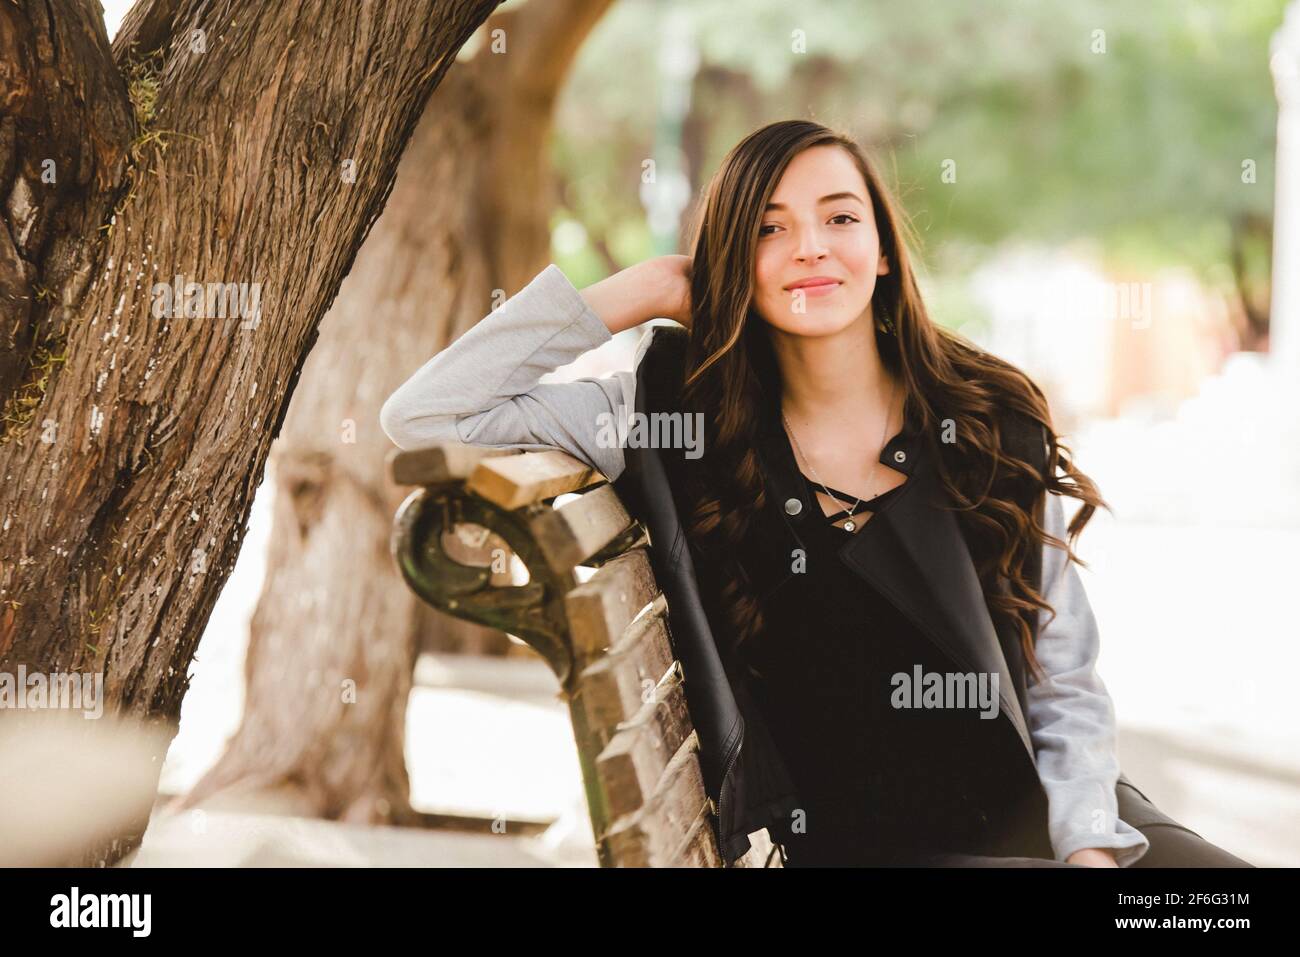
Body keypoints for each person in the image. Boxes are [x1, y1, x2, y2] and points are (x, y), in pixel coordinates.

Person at [380, 119, 1252, 869]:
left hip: (1058, 822)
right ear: (733, 261)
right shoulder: (671, 418)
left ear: (881, 250)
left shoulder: (984, 420)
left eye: (840, 217)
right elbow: (423, 415)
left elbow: (1062, 676)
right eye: (769, 229)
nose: (809, 248)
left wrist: (1090, 844)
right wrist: (640, 291)